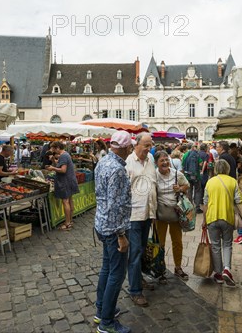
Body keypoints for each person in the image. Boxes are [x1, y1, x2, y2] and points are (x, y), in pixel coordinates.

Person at [94, 131, 134, 333]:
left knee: (107, 269)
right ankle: (107, 322)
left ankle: (102, 309)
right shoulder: (117, 169)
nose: (131, 150)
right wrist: (121, 235)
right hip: (112, 228)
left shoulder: (103, 162)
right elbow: (116, 205)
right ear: (125, 148)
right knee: (116, 274)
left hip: (101, 224)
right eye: (130, 147)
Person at [125, 132, 157, 308]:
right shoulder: (128, 163)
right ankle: (135, 291)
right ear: (136, 144)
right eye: (146, 145)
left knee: (142, 250)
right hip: (134, 215)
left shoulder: (151, 158)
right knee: (135, 252)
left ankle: (139, 279)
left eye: (150, 145)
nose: (148, 148)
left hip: (148, 213)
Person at [202, 159, 241, 287]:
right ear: (228, 168)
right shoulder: (233, 181)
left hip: (212, 217)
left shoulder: (210, 182)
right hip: (227, 217)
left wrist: (204, 220)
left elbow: (205, 203)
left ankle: (218, 274)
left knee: (215, 246)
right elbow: (238, 201)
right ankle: (227, 269)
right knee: (227, 244)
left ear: (216, 169)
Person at [154, 151, 190, 281]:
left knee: (177, 241)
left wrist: (180, 189)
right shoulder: (154, 175)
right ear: (156, 163)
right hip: (160, 214)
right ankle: (160, 269)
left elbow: (187, 185)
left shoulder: (176, 174)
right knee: (160, 243)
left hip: (175, 212)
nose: (165, 163)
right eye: (162, 161)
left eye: (166, 160)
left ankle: (178, 267)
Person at [46, 141, 80, 231]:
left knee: (65, 201)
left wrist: (52, 168)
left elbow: (63, 170)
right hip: (70, 180)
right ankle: (70, 220)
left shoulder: (63, 156)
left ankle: (67, 223)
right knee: (70, 200)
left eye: (53, 148)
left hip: (65, 182)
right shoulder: (65, 154)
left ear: (57, 148)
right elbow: (60, 164)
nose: (51, 150)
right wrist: (53, 161)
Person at [183, 144, 202, 214]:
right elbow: (201, 164)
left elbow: (182, 165)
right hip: (196, 176)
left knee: (189, 191)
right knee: (197, 191)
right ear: (193, 148)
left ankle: (190, 207)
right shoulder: (197, 154)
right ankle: (197, 207)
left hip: (187, 176)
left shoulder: (185, 155)